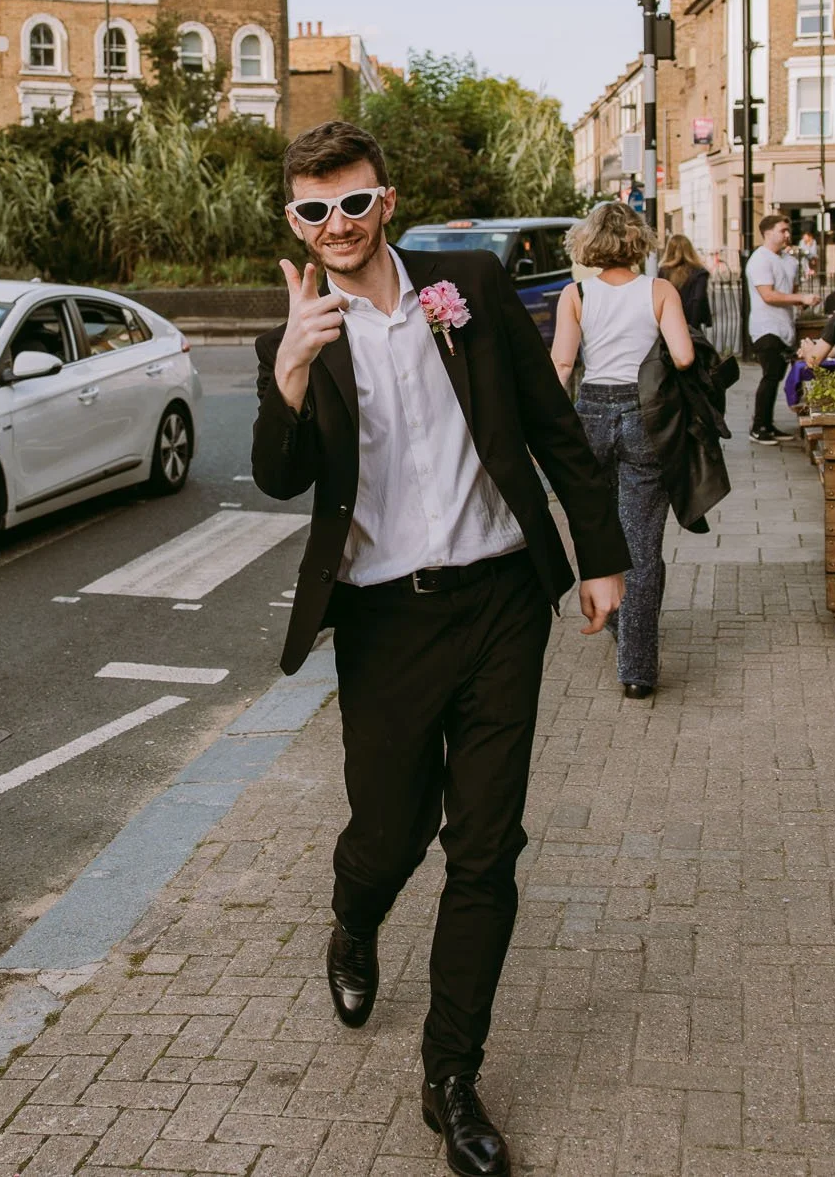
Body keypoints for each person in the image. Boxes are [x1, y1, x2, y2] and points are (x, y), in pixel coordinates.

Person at [253, 121, 628, 1177]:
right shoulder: (299, 332)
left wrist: (600, 555)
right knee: (389, 828)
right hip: (383, 620)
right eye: (313, 209)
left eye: (354, 201)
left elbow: (553, 425)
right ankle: (353, 916)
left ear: (388, 200)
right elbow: (281, 477)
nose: (336, 224)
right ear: (294, 220)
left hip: (502, 598)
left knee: (486, 845)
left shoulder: (461, 285)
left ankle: (450, 1074)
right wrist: (287, 373)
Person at [550, 203, 695, 701]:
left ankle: (615, 619)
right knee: (642, 542)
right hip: (644, 417)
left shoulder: (577, 294)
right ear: (639, 241)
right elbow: (683, 355)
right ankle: (637, 670)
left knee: (598, 527)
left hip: (590, 415)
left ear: (588, 243)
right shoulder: (659, 291)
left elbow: (564, 364)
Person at [745, 214, 813, 444]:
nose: (787, 235)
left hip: (785, 326)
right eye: (782, 230)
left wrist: (799, 300)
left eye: (787, 230)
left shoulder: (789, 260)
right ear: (767, 233)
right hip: (766, 327)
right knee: (770, 376)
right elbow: (768, 295)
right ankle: (758, 427)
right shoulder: (759, 260)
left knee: (775, 377)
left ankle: (767, 423)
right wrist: (801, 297)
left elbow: (788, 291)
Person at [657, 231, 712, 335]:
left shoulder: (663, 271)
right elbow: (698, 299)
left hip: (669, 322)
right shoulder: (699, 272)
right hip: (691, 323)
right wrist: (692, 327)